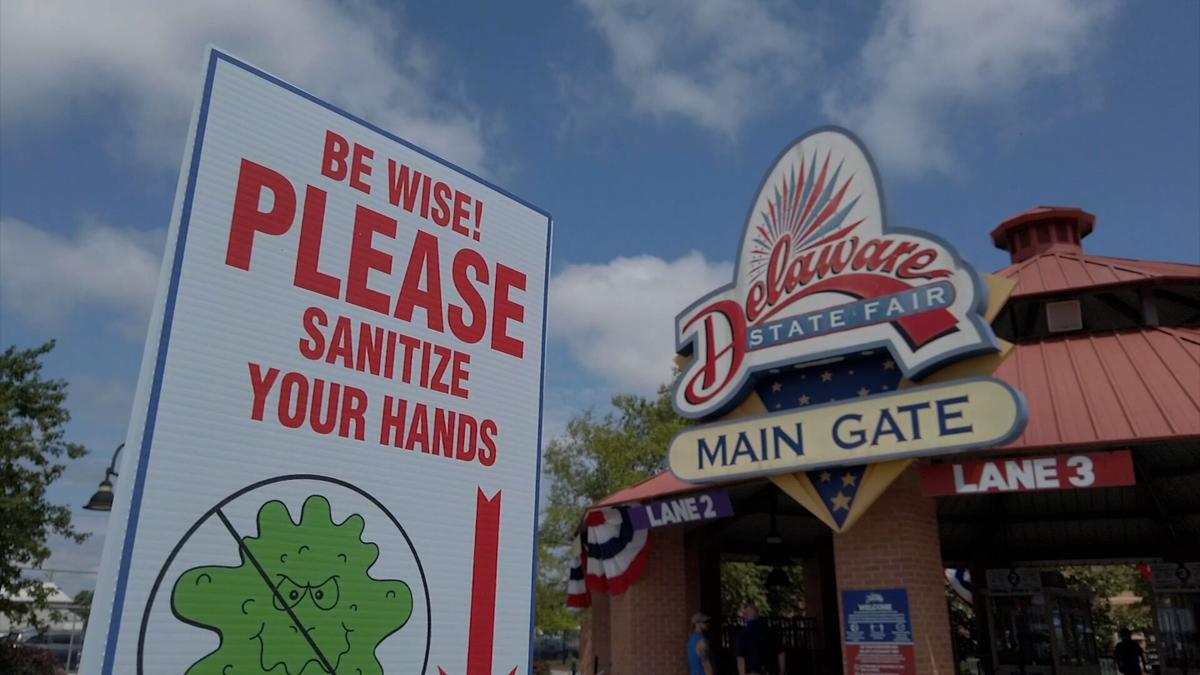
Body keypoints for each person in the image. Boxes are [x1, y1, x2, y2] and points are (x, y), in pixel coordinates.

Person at [735, 605, 785, 675]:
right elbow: (781, 653)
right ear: (757, 615)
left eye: (745, 614)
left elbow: (740, 658)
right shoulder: (772, 632)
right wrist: (782, 672)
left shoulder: (743, 633)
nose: (744, 616)